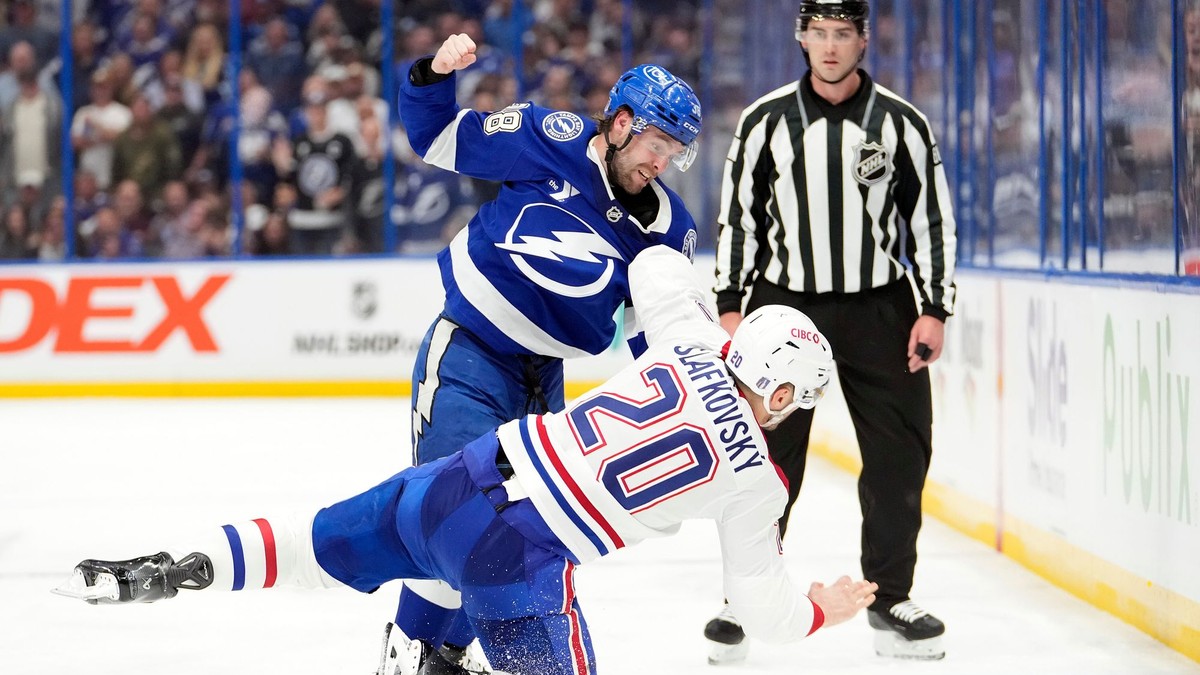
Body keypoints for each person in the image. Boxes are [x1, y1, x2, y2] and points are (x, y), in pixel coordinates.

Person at [54, 248, 878, 675]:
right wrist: (822, 607)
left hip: (462, 479)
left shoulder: (694, 336)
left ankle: (178, 565)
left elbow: (657, 270)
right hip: (516, 560)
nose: (792, 413)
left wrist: (697, 301)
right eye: (794, 399)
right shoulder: (757, 481)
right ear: (776, 392)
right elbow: (761, 609)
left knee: (310, 544)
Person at [395, 33, 704, 674]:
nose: (663, 162)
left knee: (516, 532)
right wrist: (433, 73)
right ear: (621, 124)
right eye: (657, 144)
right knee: (449, 509)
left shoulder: (669, 231)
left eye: (674, 152)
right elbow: (437, 138)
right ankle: (410, 650)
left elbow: (657, 340)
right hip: (470, 357)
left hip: (546, 385)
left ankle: (447, 655)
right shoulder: (549, 134)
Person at [706, 0, 957, 663]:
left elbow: (931, 220)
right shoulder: (765, 122)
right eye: (818, 32)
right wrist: (731, 302)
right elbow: (739, 217)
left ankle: (891, 596)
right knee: (762, 455)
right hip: (784, 304)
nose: (829, 45)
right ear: (801, 38)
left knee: (898, 456)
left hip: (882, 306)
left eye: (842, 32)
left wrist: (933, 306)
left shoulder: (903, 124)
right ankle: (745, 594)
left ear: (863, 39)